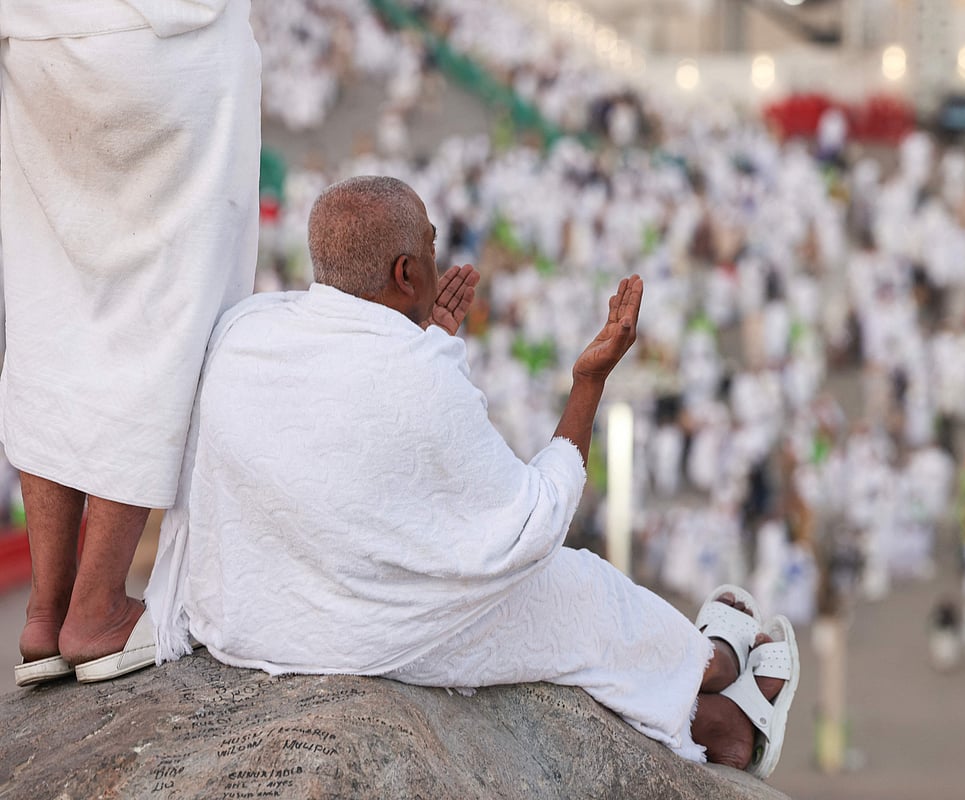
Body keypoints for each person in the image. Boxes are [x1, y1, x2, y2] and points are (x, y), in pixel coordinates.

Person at [145, 176, 800, 776]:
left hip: (251, 611)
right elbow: (531, 527)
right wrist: (588, 382)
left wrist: (421, 334)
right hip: (357, 630)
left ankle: (712, 712)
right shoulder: (419, 372)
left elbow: (347, 427)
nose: (439, 253)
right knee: (574, 586)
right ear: (407, 271)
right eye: (430, 243)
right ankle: (714, 672)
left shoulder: (246, 326)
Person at [6, 0, 261, 687]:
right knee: (166, 312)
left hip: (36, 42)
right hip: (170, 47)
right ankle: (95, 607)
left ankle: (46, 608)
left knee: (49, 304)